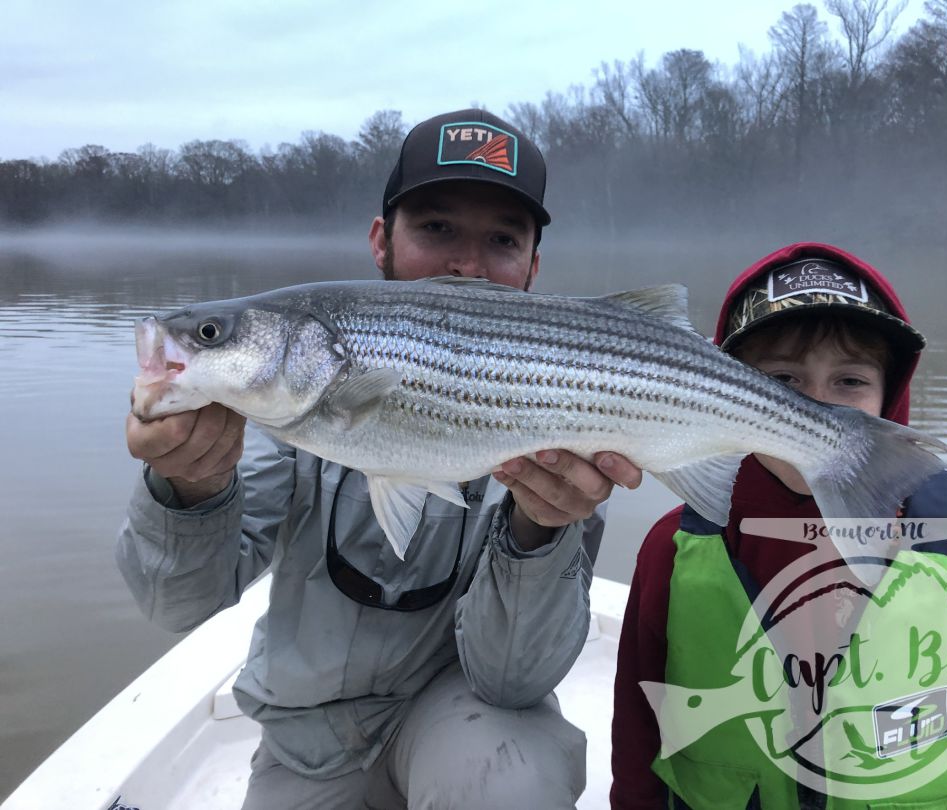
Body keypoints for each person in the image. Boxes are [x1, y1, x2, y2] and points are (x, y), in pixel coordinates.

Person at [117, 108, 641, 810]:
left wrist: (538, 531)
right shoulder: (287, 425)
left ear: (533, 267)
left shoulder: (564, 434)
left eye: (503, 240)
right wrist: (189, 488)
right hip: (305, 748)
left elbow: (512, 683)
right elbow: (176, 604)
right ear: (380, 240)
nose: (466, 263)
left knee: (512, 780)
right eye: (436, 227)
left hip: (463, 730)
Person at [610, 242, 947, 809]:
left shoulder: (945, 554)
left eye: (850, 382)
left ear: (890, 400)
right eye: (783, 382)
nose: (818, 407)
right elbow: (637, 736)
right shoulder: (674, 549)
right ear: (723, 393)